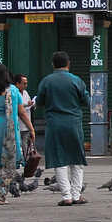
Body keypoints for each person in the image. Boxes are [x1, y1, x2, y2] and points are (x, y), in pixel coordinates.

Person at [34, 51, 89, 206]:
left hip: (54, 125)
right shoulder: (76, 80)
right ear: (68, 63)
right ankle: (77, 195)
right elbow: (86, 100)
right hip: (73, 124)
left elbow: (40, 101)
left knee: (59, 159)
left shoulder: (46, 81)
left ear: (53, 64)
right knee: (77, 160)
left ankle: (66, 197)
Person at [0, 64, 23, 205]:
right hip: (6, 129)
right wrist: (31, 129)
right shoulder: (13, 91)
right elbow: (19, 113)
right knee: (6, 162)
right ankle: (1, 194)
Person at [11, 73, 37, 168]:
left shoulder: (25, 93)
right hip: (17, 125)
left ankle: (25, 163)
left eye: (26, 83)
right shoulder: (13, 92)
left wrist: (32, 104)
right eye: (24, 83)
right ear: (17, 83)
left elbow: (28, 105)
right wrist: (26, 104)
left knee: (26, 145)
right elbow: (20, 109)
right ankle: (18, 163)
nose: (26, 85)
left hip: (26, 124)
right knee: (17, 146)